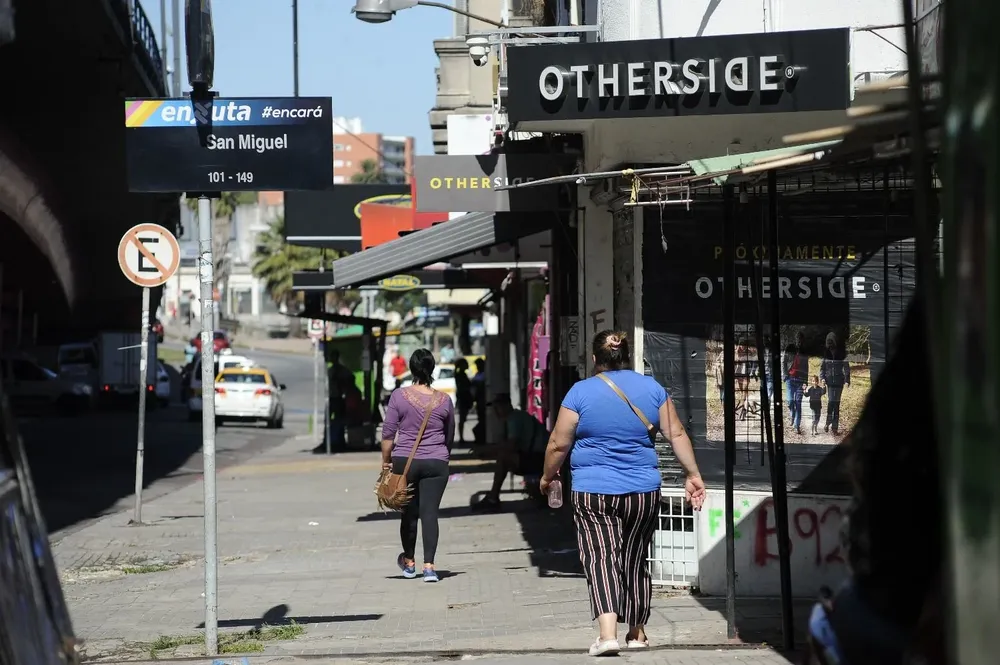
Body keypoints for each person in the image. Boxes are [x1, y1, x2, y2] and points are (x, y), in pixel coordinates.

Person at [540, 330, 705, 656]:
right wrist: (693, 474)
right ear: (627, 357)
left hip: (593, 492)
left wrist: (547, 477)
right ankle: (638, 633)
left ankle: (607, 636)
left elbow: (559, 443)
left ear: (593, 359)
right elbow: (676, 432)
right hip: (643, 490)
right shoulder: (652, 388)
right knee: (634, 559)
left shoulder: (579, 393)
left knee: (601, 559)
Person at [380, 348, 455, 583]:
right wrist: (441, 456)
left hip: (405, 462)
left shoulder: (398, 397)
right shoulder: (444, 400)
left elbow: (388, 435)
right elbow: (449, 436)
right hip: (437, 461)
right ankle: (430, 568)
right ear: (432, 368)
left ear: (411, 368)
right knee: (430, 514)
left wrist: (386, 462)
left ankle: (409, 563)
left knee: (409, 513)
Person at [472, 394, 549, 512]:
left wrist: (486, 450)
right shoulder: (514, 418)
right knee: (503, 456)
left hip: (541, 458)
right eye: (494, 408)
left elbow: (511, 446)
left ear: (507, 406)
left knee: (504, 458)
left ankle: (493, 498)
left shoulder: (514, 418)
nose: (496, 412)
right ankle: (493, 497)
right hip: (539, 456)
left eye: (498, 407)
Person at [820, 331, 851, 436]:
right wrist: (822, 378)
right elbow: (822, 368)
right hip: (829, 382)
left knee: (836, 404)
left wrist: (847, 380)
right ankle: (828, 422)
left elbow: (846, 367)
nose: (830, 344)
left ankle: (834, 428)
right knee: (831, 402)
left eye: (831, 341)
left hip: (839, 382)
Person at [782, 331, 808, 436]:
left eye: (801, 339)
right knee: (789, 401)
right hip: (790, 379)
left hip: (800, 381)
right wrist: (785, 375)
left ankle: (797, 426)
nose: (799, 341)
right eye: (798, 339)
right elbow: (783, 362)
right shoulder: (789, 348)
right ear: (795, 339)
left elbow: (806, 367)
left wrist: (805, 382)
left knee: (798, 404)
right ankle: (792, 415)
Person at [454, 358, 473, 444]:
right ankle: (461, 437)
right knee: (462, 418)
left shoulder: (460, 374)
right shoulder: (460, 375)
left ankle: (461, 437)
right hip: (463, 398)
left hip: (463, 398)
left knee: (462, 418)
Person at [471, 358, 487, 444]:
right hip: (479, 401)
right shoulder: (478, 375)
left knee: (483, 420)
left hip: (483, 401)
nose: (477, 367)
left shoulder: (484, 375)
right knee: (481, 419)